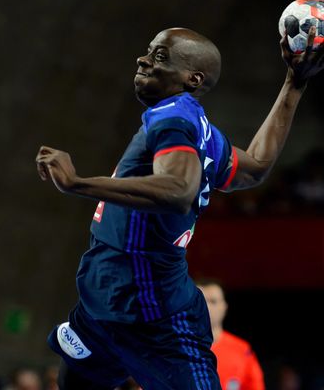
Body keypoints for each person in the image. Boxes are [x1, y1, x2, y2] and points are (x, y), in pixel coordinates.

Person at [35, 26, 323, 389]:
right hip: (102, 306)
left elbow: (177, 189)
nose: (143, 60)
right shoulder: (202, 131)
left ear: (192, 78)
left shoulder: (174, 115)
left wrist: (77, 183)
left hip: (153, 315)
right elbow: (255, 166)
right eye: (149, 50)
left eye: (159, 57)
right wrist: (294, 84)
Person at [197, 279, 265, 390]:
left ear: (224, 307)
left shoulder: (242, 350)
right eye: (200, 301)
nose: (206, 306)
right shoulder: (173, 346)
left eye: (213, 301)